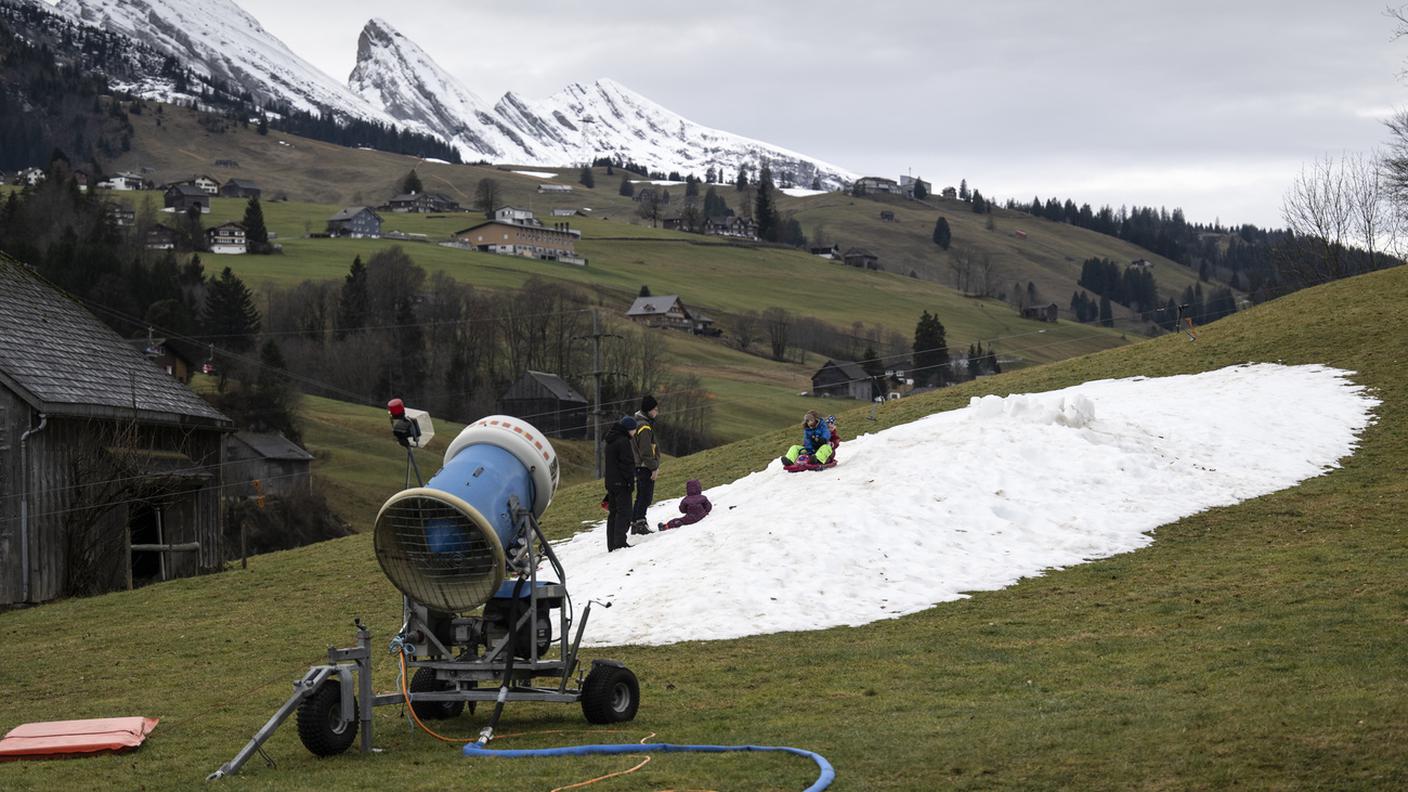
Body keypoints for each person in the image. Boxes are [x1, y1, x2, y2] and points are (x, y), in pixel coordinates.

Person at [603, 415, 639, 551]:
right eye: (634, 430)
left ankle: (612, 544)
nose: (634, 433)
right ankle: (620, 542)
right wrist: (630, 482)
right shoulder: (623, 441)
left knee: (613, 513)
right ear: (629, 429)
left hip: (611, 482)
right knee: (624, 513)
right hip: (622, 483)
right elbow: (627, 464)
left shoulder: (611, 440)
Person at [630, 395, 661, 535]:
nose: (657, 412)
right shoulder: (644, 426)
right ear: (649, 410)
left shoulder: (638, 422)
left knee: (641, 495)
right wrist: (653, 467)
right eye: (655, 409)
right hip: (645, 466)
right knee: (645, 496)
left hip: (640, 465)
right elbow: (646, 450)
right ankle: (640, 523)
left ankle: (635, 523)